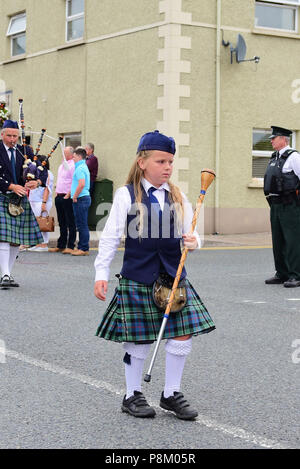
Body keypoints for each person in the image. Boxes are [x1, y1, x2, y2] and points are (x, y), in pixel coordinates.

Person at [94, 130, 215, 420]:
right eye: (161, 161)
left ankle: (171, 393)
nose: (168, 167)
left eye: (170, 162)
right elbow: (110, 237)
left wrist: (193, 242)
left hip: (174, 276)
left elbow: (195, 235)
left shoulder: (178, 195)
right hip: (139, 275)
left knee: (182, 333)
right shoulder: (126, 195)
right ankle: (131, 394)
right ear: (142, 162)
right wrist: (101, 272)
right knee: (139, 338)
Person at [0, 120, 44, 288]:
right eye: (9, 135)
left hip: (19, 200)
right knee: (3, 237)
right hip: (3, 196)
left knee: (15, 239)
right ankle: (4, 274)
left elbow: (43, 170)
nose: (12, 139)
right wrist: (10, 185)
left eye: (15, 136)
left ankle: (7, 274)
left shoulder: (25, 150)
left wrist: (37, 182)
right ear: (2, 134)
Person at [264, 125, 300, 288]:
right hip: (276, 205)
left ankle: (296, 275)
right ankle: (282, 273)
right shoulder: (275, 157)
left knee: (292, 240)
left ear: (284, 139)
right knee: (278, 240)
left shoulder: (294, 157)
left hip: (290, 204)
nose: (271, 140)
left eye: (274, 138)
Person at [48, 146, 76, 254]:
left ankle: (70, 245)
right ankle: (61, 244)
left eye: (65, 153)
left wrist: (68, 194)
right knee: (62, 222)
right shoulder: (62, 165)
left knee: (70, 222)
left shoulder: (73, 165)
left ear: (71, 154)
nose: (63, 155)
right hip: (59, 195)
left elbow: (74, 181)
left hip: (67, 196)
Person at [28, 155, 54, 251]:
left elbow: (47, 189)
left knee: (44, 222)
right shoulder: (37, 172)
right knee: (36, 223)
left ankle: (44, 244)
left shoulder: (48, 174)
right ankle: (38, 243)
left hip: (42, 201)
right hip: (34, 200)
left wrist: (44, 203)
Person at [71, 147, 91, 256]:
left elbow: (81, 183)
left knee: (82, 225)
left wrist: (75, 196)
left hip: (81, 198)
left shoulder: (79, 168)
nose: (73, 159)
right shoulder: (83, 166)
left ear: (79, 156)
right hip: (83, 198)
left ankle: (83, 248)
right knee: (82, 224)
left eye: (74, 157)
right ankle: (83, 247)